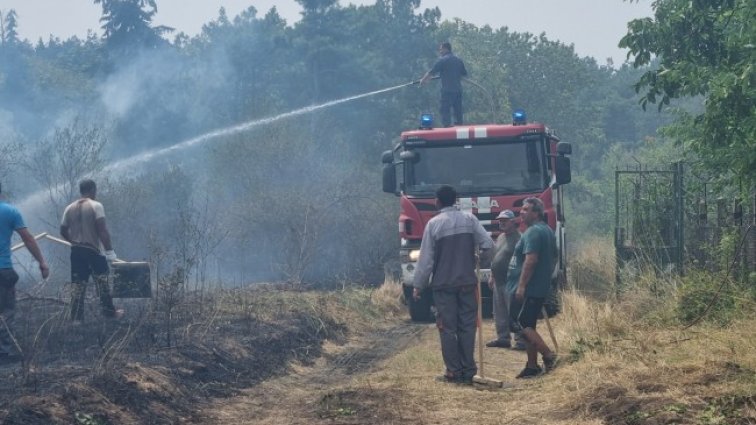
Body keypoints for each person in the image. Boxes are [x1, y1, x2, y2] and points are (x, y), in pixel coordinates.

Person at [412, 185, 494, 385]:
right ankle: (469, 370)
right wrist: (481, 262)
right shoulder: (470, 220)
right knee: (468, 326)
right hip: (467, 282)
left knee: (448, 328)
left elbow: (426, 260)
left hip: (443, 285)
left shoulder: (433, 225)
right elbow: (489, 245)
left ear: (437, 202)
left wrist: (418, 285)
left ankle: (453, 371)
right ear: (456, 200)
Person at [508, 197, 559, 378]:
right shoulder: (547, 231)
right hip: (538, 286)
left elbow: (531, 260)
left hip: (529, 288)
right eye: (521, 209)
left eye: (526, 209)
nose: (521, 212)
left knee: (520, 324)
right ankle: (531, 365)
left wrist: (521, 286)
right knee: (529, 325)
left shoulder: (533, 232)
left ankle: (549, 355)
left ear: (536, 213)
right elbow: (554, 258)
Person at [0, 182, 49, 363]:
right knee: (6, 311)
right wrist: (42, 263)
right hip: (3, 270)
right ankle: (3, 353)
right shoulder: (10, 212)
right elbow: (28, 238)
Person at [60, 179, 121, 321]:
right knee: (102, 282)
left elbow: (62, 230)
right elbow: (102, 231)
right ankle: (109, 313)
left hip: (76, 252)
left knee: (78, 286)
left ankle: (76, 319)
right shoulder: (96, 205)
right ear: (93, 190)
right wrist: (110, 252)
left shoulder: (69, 208)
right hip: (93, 251)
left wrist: (72, 241)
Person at [486, 209, 525, 350]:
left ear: (513, 221)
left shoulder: (519, 238)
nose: (501, 223)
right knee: (499, 312)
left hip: (511, 282)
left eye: (505, 220)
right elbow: (496, 257)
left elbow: (523, 260)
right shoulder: (501, 237)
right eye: (500, 220)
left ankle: (521, 340)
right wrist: (491, 275)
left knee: (514, 312)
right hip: (498, 280)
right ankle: (503, 338)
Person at [420, 42, 468, 127]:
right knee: (458, 111)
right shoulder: (458, 60)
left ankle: (447, 127)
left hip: (447, 91)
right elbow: (464, 74)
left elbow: (432, 72)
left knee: (445, 110)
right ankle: (459, 126)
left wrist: (423, 80)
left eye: (441, 49)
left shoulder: (443, 60)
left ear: (446, 49)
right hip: (458, 91)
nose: (440, 51)